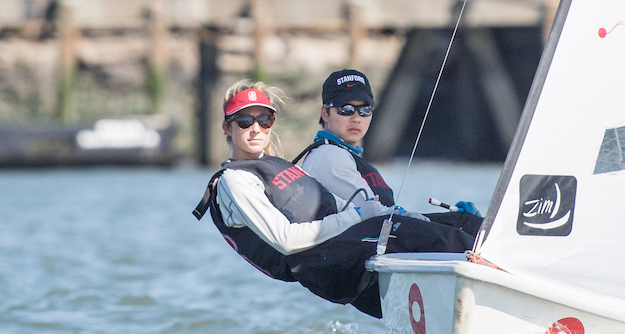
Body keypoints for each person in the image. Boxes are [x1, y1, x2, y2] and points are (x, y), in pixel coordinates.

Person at [193, 79, 475, 318]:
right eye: (244, 121)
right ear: (227, 128)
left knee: (460, 222)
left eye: (264, 119)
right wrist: (359, 216)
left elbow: (337, 206)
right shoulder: (234, 180)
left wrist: (399, 216)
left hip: (344, 242)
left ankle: (490, 260)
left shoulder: (278, 165)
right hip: (321, 261)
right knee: (415, 234)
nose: (255, 128)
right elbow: (286, 240)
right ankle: (491, 271)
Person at [294, 69, 483, 238]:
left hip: (378, 240)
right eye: (347, 109)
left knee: (464, 221)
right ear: (325, 114)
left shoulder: (343, 154)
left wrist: (453, 218)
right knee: (468, 227)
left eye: (365, 110)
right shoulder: (329, 155)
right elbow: (375, 216)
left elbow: (386, 216)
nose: (356, 118)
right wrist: (452, 224)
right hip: (361, 253)